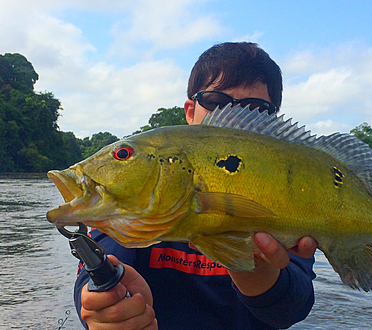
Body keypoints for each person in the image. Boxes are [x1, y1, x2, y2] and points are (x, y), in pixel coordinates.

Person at [75, 42, 318, 330]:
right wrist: (108, 307)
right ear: (190, 112)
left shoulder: (291, 189)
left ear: (271, 122)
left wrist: (256, 270)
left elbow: (293, 308)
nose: (232, 119)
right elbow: (91, 282)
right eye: (216, 102)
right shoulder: (145, 188)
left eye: (254, 109)